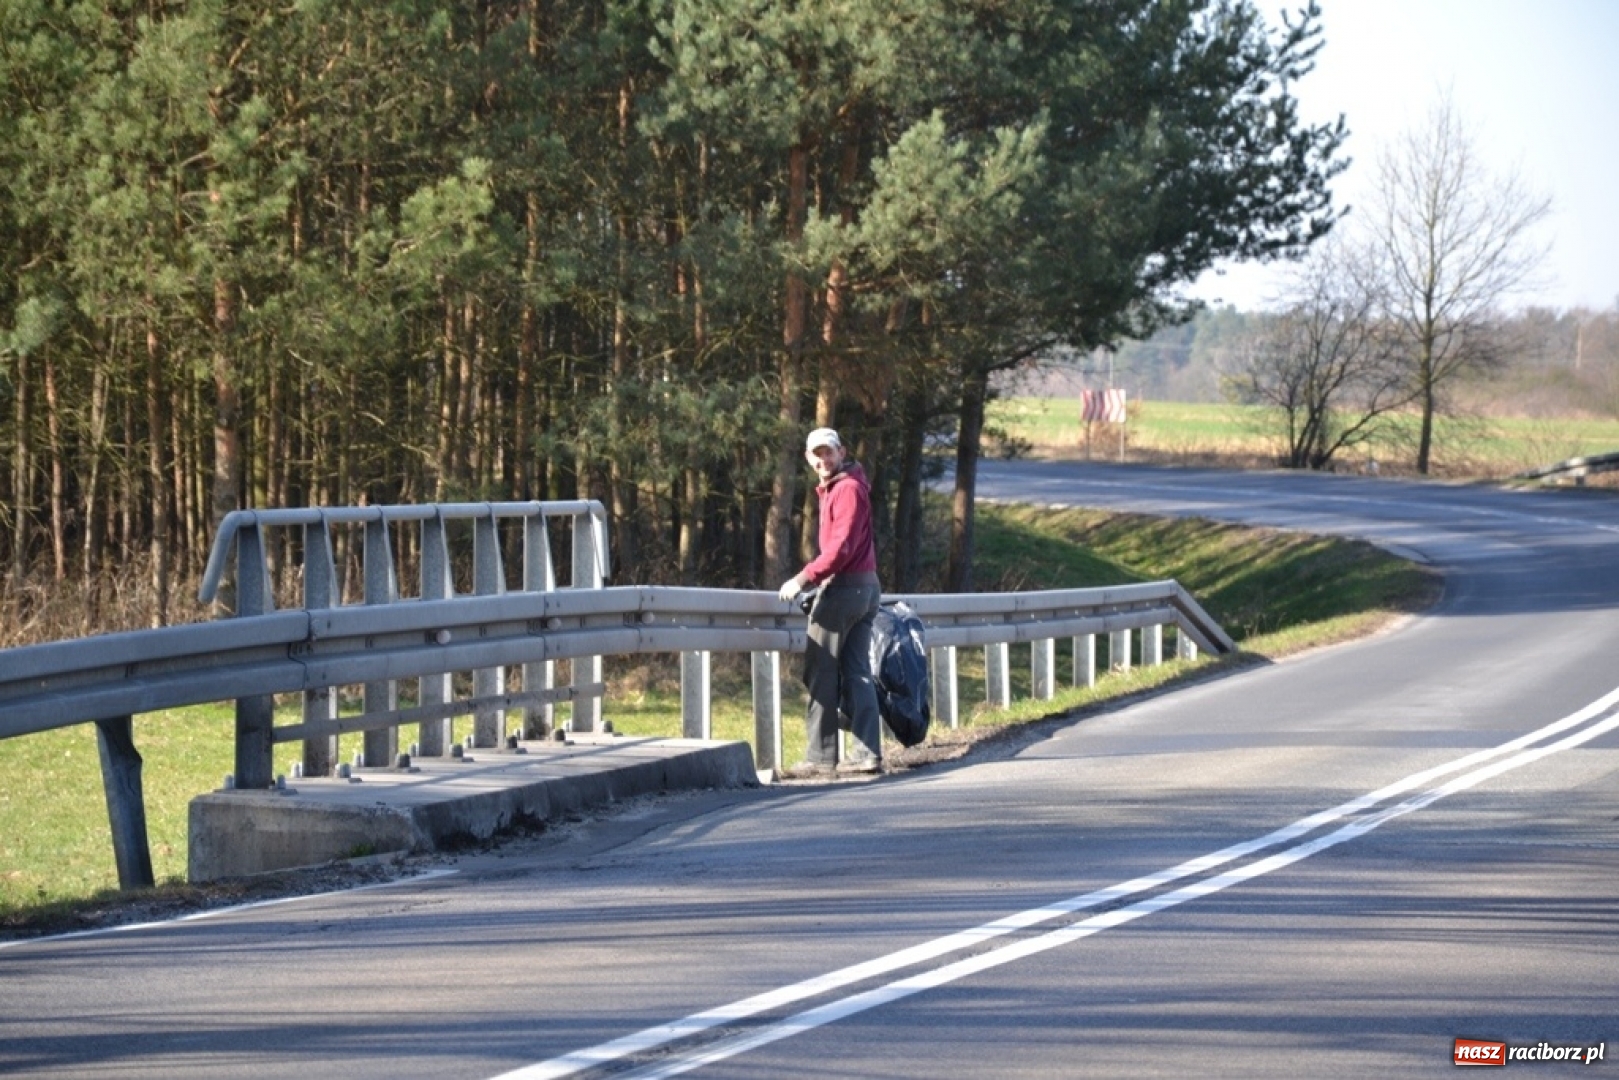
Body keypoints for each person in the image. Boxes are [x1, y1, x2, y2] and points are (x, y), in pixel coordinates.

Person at [778, 427, 885, 775]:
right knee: (857, 672)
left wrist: (803, 578)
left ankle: (820, 757)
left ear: (842, 452)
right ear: (809, 458)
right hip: (864, 588)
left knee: (821, 671)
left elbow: (840, 549)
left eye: (829, 452)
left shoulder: (847, 489)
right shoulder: (842, 487)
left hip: (847, 589)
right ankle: (867, 753)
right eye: (816, 454)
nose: (823, 459)